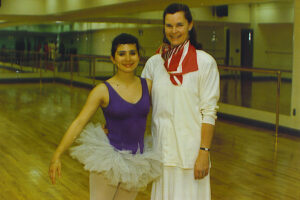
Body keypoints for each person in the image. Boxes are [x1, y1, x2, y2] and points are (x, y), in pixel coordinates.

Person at [49, 33, 161, 200]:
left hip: (137, 160)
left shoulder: (149, 86)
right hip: (109, 160)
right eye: (121, 54)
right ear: (113, 58)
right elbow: (79, 122)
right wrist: (57, 154)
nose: (128, 58)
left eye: (132, 52)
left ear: (139, 56)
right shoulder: (102, 90)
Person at [141, 3, 220, 200]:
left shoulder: (205, 62)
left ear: (190, 25)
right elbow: (139, 103)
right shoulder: (154, 63)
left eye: (179, 25)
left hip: (191, 154)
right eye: (169, 26)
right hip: (162, 152)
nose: (174, 31)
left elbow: (209, 112)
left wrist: (204, 152)